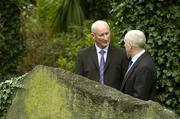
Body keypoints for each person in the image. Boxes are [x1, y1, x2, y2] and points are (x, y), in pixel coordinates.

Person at [75, 20, 128, 90]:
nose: (106, 38)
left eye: (107, 33)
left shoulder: (121, 54)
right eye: (101, 35)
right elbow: (79, 81)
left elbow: (126, 82)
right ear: (93, 36)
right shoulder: (83, 55)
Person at [120, 30, 157, 101]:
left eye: (125, 43)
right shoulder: (137, 61)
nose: (124, 46)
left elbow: (139, 99)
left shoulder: (144, 67)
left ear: (130, 45)